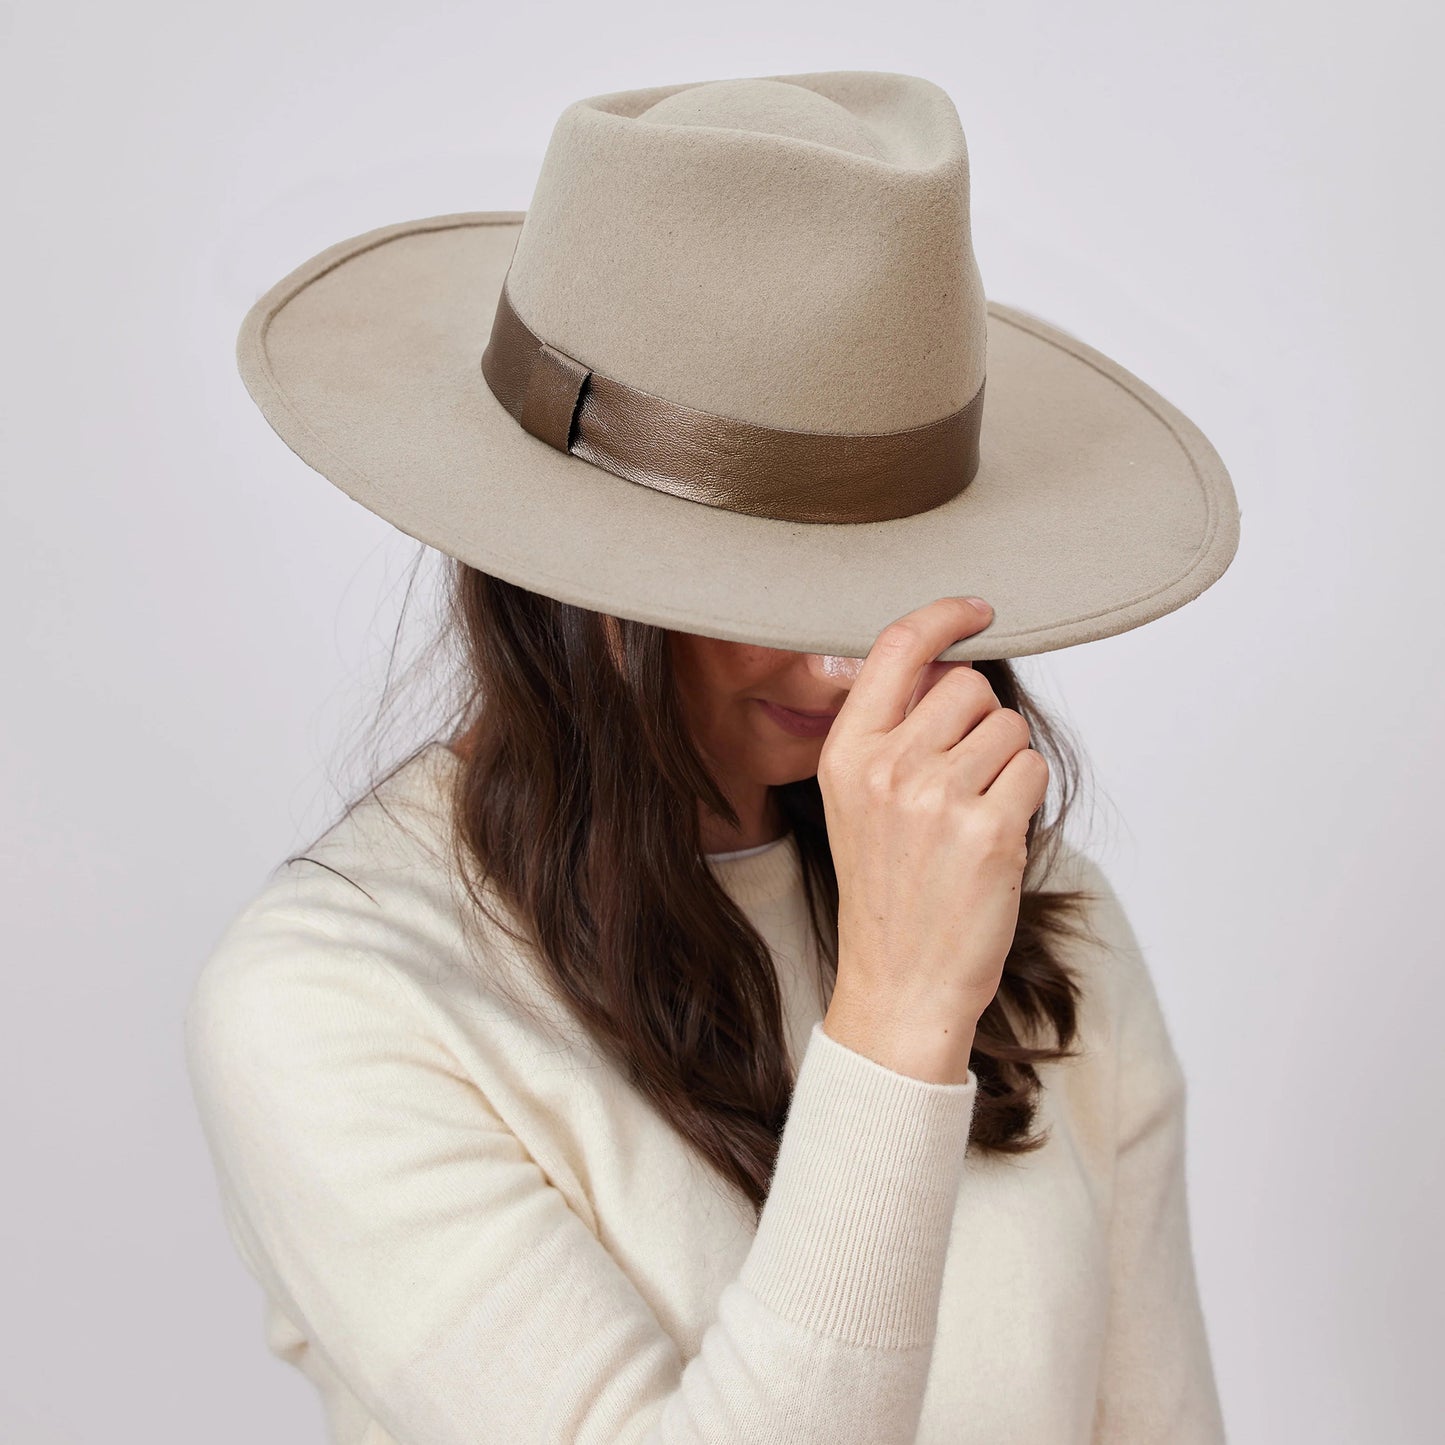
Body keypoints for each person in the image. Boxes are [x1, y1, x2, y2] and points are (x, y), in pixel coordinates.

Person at [184, 70, 1239, 1444]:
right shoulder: (334, 1003)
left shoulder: (1042, 921)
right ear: (557, 577)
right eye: (750, 580)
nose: (845, 659)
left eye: (885, 566)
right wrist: (896, 1026)